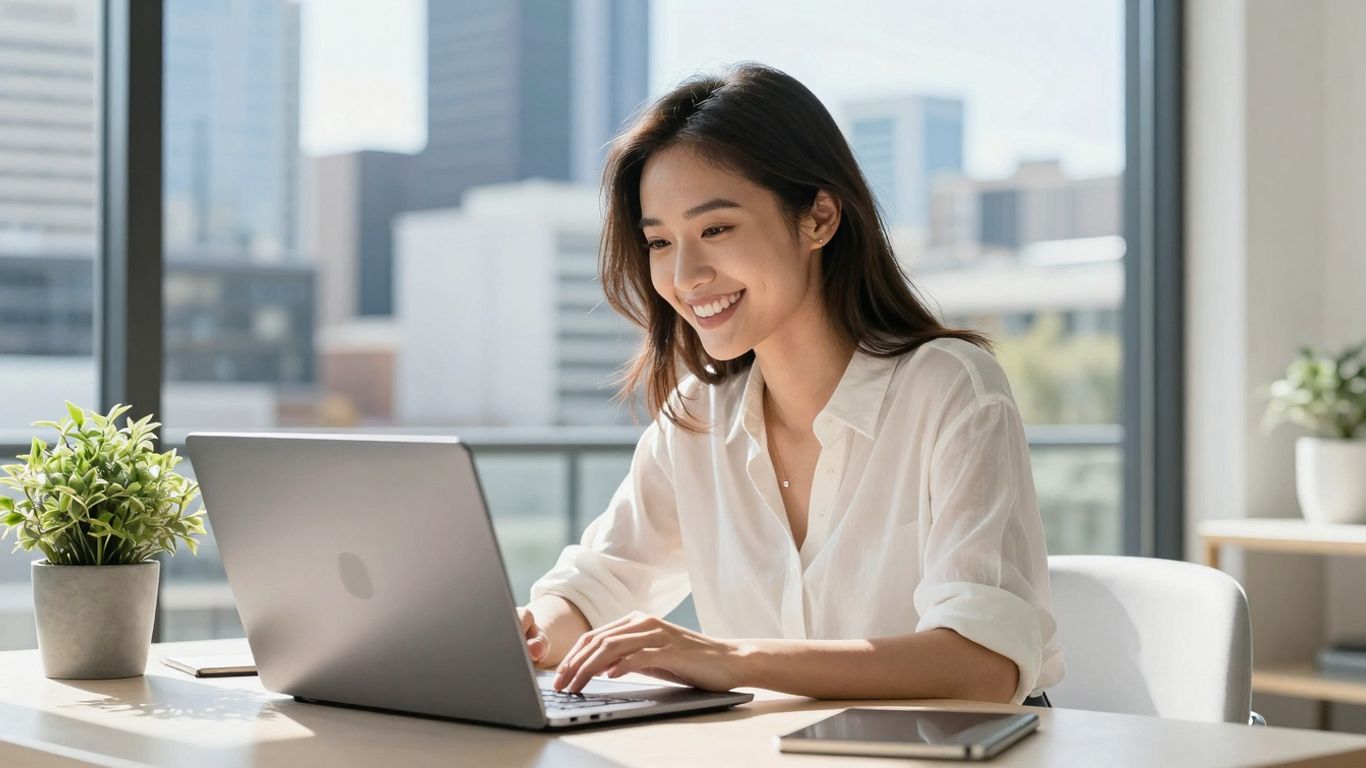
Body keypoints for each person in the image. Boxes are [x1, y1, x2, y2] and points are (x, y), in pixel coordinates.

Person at [517, 62, 1064, 706]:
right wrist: (522, 636)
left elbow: (983, 665)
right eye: (660, 241)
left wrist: (726, 659)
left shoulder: (951, 390)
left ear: (819, 218)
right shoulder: (699, 414)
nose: (686, 275)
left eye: (715, 229)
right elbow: (597, 587)